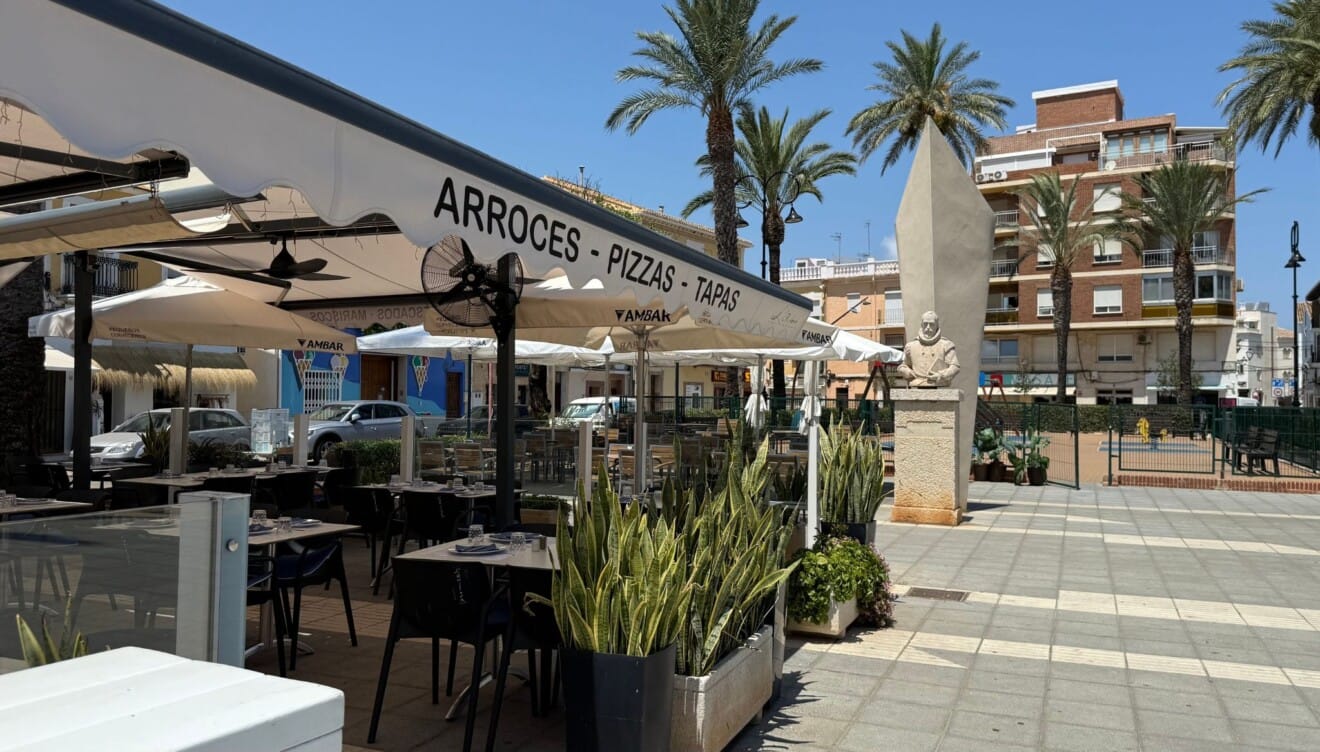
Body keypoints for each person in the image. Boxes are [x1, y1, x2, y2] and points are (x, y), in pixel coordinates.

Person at [897, 311, 960, 387]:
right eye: (925, 324)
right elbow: (904, 365)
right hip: (916, 383)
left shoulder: (946, 344)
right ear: (921, 325)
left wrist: (941, 375)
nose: (928, 327)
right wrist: (906, 371)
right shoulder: (911, 346)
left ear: (937, 325)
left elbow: (955, 367)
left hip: (938, 384)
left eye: (931, 324)